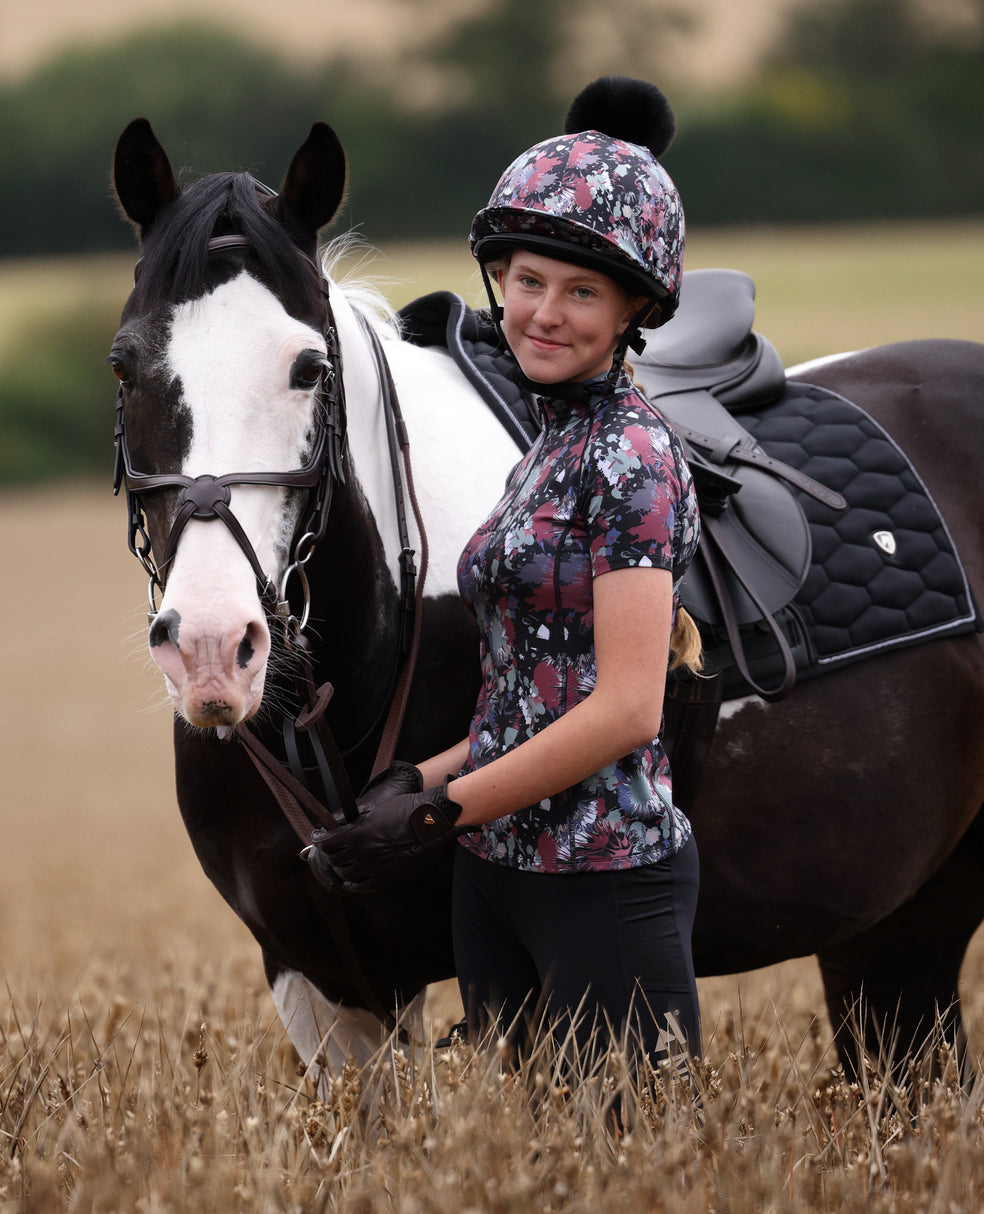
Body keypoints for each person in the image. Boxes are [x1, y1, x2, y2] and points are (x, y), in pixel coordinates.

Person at [307, 76, 703, 1075]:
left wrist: (436, 813)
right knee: (521, 1152)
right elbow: (524, 698)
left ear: (633, 308)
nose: (544, 314)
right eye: (527, 280)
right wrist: (418, 781)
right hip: (494, 875)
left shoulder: (630, 457)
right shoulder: (543, 445)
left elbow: (626, 709)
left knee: (628, 1151)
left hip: (601, 878)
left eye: (581, 292)